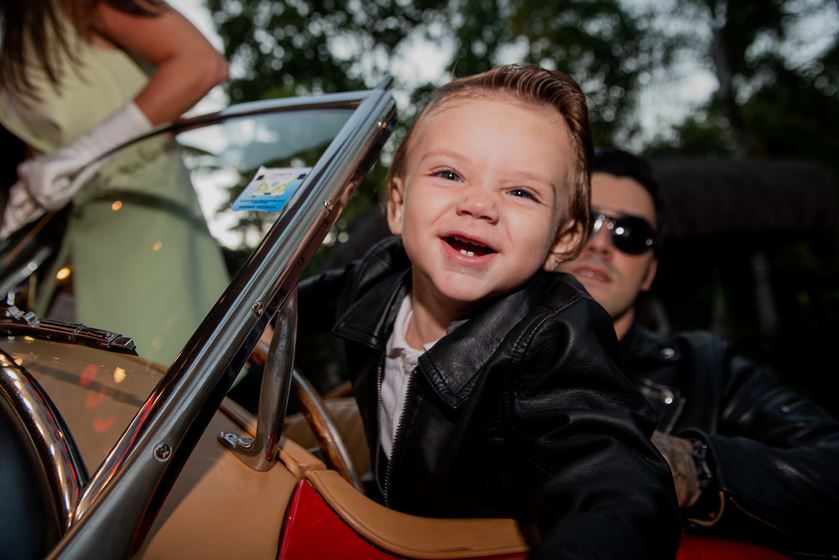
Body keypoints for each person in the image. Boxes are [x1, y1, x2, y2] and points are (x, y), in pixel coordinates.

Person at [298, 64, 681, 559]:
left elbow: (612, 476)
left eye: (521, 192)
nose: (479, 204)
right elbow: (294, 305)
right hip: (386, 522)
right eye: (449, 173)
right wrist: (256, 327)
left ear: (562, 240)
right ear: (398, 203)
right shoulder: (376, 275)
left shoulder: (556, 335)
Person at [560, 147, 839, 557]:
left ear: (650, 272)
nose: (601, 242)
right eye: (587, 221)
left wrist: (695, 468)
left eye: (631, 235)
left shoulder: (708, 370)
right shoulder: (464, 350)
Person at [0, 0, 230, 364]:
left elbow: (201, 65)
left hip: (148, 222)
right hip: (77, 241)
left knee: (146, 390)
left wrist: (84, 153)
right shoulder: (13, 33)